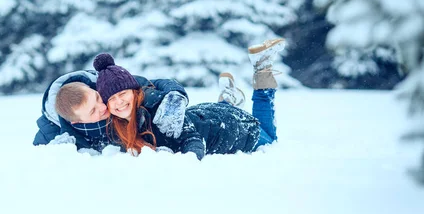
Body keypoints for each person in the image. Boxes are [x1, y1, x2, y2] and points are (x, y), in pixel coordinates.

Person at [93, 38, 286, 160]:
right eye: (112, 99)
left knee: (269, 138)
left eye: (123, 94)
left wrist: (188, 162)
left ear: (134, 92)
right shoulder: (117, 125)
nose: (119, 102)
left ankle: (263, 69)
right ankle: (228, 99)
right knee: (218, 116)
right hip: (209, 116)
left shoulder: (162, 111)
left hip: (233, 129)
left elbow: (192, 139)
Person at [33, 69, 190, 153]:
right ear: (76, 122)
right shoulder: (52, 133)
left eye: (97, 98)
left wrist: (174, 96)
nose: (103, 107)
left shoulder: (104, 83)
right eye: (93, 111)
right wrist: (56, 153)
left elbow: (151, 83)